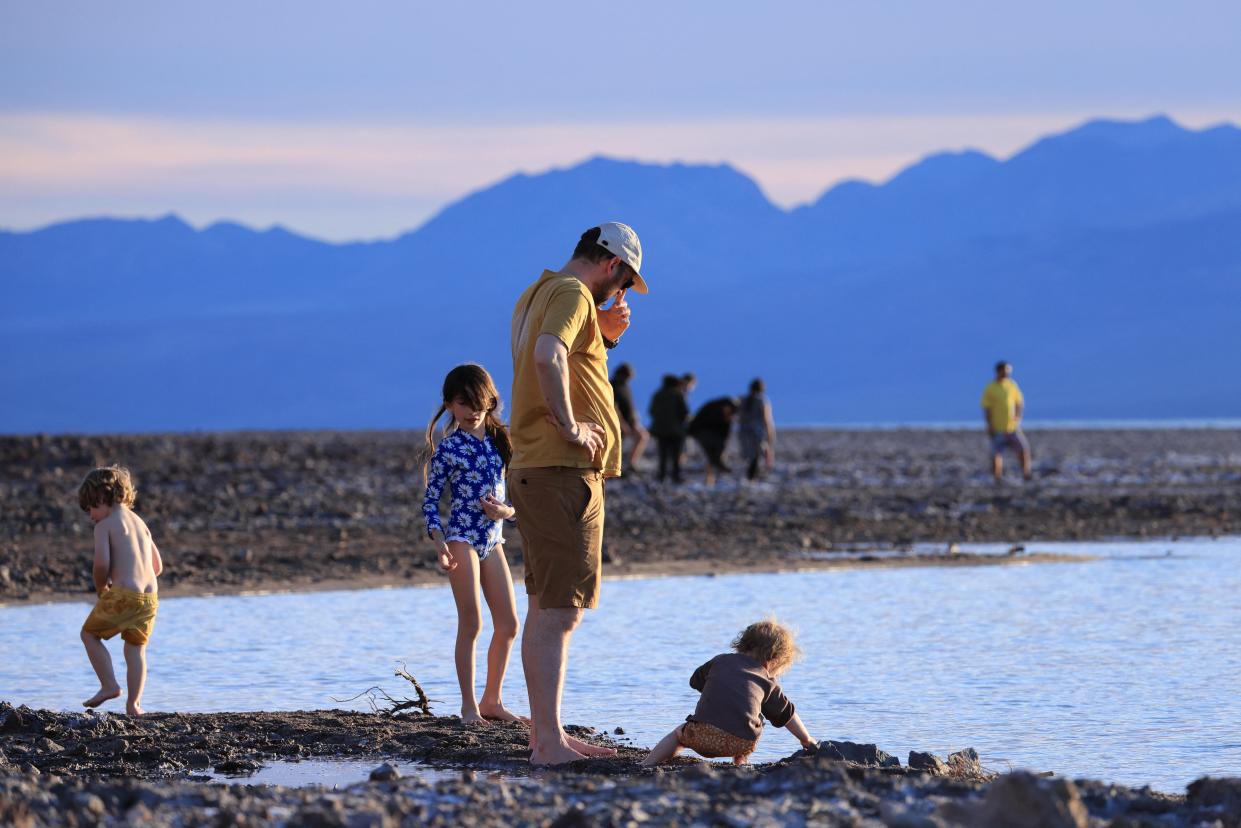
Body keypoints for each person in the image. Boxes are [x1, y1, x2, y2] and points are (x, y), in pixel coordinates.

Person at [509, 222, 649, 765]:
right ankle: (548, 744)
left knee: (546, 605)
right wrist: (570, 427)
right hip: (560, 467)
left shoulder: (541, 291)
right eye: (622, 284)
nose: (619, 296)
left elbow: (564, 358)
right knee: (562, 612)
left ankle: (548, 735)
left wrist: (604, 332)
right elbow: (548, 356)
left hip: (539, 467)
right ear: (611, 265)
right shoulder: (571, 293)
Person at [423, 364, 525, 725]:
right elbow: (430, 502)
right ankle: (468, 707)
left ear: (490, 399)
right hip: (462, 539)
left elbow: (514, 504)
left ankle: (492, 701)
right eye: (463, 402)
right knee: (472, 623)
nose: (472, 409)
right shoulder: (449, 448)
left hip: (493, 540)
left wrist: (507, 511)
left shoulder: (502, 441)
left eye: (478, 400)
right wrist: (440, 544)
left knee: (510, 624)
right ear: (450, 404)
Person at [641, 619, 817, 766]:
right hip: (741, 743)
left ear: (742, 645)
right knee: (755, 718)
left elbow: (695, 681)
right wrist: (806, 740)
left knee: (678, 734)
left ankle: (647, 763)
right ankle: (740, 762)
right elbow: (787, 715)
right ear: (774, 660)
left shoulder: (720, 661)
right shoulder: (767, 681)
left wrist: (717, 690)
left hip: (700, 737)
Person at [78, 465, 163, 717]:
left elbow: (101, 563)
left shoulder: (104, 526)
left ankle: (109, 685)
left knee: (89, 635)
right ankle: (134, 705)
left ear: (102, 497)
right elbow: (157, 566)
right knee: (135, 649)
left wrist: (102, 586)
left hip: (123, 595)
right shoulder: (140, 523)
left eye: (91, 508)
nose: (91, 515)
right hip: (149, 599)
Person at [981, 361, 1032, 482]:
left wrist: (1018, 417)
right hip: (997, 427)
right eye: (1005, 371)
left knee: (1023, 450)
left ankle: (1026, 474)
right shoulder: (990, 388)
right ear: (998, 371)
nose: (1007, 374)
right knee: (996, 454)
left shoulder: (1011, 385)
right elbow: (986, 408)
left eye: (1008, 371)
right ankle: (997, 478)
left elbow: (1019, 401)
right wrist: (989, 425)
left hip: (1012, 427)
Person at [688, 396, 739, 486]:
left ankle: (712, 478)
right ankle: (714, 474)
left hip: (706, 434)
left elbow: (725, 432)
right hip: (703, 432)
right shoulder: (714, 409)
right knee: (712, 455)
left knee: (712, 456)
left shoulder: (722, 412)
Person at [648, 374, 690, 483]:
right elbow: (685, 413)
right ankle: (675, 476)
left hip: (660, 431)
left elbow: (651, 411)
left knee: (663, 454)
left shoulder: (657, 395)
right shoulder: (678, 395)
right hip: (676, 431)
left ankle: (661, 476)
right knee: (676, 455)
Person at [610, 363, 648, 473]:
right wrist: (621, 423)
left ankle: (630, 463)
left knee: (642, 436)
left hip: (630, 420)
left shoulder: (625, 386)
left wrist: (635, 417)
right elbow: (613, 406)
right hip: (619, 421)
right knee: (616, 443)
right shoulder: (613, 385)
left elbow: (629, 404)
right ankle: (613, 466)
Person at [738, 378, 776, 481]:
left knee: (752, 458)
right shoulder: (762, 400)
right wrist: (770, 434)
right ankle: (752, 478)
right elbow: (766, 418)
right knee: (757, 457)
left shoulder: (743, 400)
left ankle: (751, 477)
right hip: (757, 432)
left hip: (744, 432)